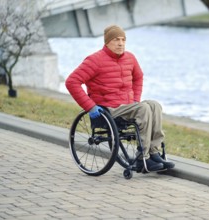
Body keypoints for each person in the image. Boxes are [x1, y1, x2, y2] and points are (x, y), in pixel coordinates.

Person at [65, 25, 174, 172]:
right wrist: (90, 106)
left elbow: (138, 77)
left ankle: (154, 153)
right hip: (108, 109)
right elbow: (72, 82)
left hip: (128, 106)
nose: (120, 43)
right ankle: (143, 158)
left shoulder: (130, 58)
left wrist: (135, 98)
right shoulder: (95, 60)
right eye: (116, 40)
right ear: (107, 42)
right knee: (144, 108)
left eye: (123, 40)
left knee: (155, 105)